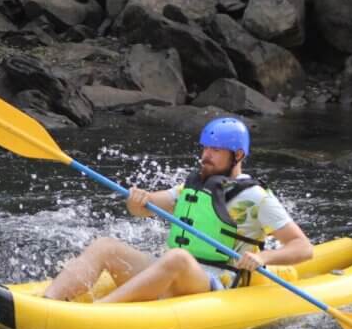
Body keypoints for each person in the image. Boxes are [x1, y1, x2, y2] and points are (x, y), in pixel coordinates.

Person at [43, 117, 314, 303]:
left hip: (215, 280)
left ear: (238, 156)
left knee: (178, 258)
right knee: (105, 246)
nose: (206, 155)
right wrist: (137, 199)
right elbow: (142, 209)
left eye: (216, 150)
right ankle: (50, 301)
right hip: (172, 272)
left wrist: (264, 258)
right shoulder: (192, 187)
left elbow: (303, 247)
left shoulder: (255, 197)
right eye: (205, 147)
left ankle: (98, 312)